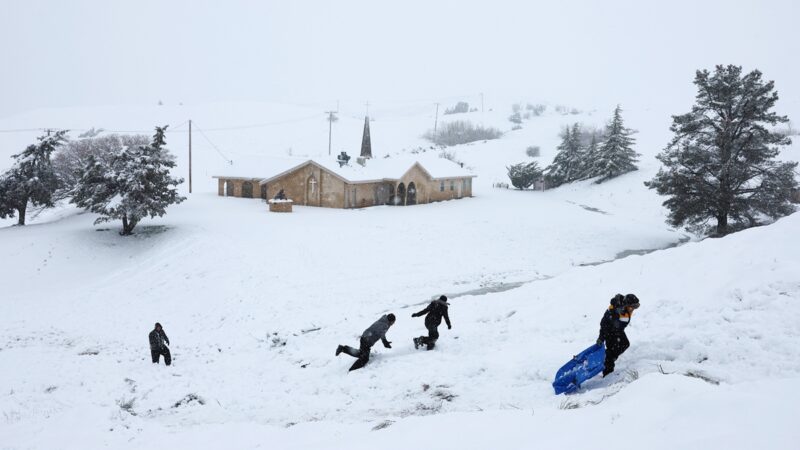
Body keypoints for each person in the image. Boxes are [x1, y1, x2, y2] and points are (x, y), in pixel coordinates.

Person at [596, 293, 640, 376]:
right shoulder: (614, 310)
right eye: (632, 307)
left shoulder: (626, 310)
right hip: (609, 332)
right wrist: (601, 338)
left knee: (625, 344)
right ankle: (607, 373)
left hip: (618, 331)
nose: (633, 309)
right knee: (610, 352)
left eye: (636, 307)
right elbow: (604, 323)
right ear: (627, 304)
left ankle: (611, 357)